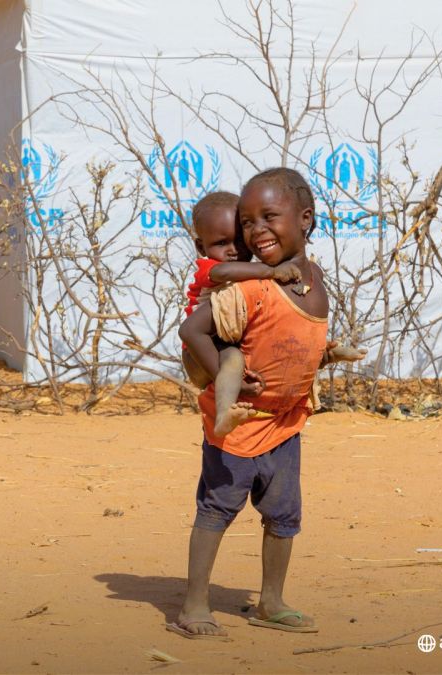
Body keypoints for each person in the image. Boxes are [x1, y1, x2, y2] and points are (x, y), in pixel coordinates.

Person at [170, 168, 339, 639]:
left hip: (286, 424)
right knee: (217, 509)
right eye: (247, 222)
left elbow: (292, 338)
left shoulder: (312, 278)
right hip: (239, 425)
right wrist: (237, 379)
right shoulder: (250, 286)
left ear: (304, 219)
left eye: (268, 217)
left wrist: (325, 353)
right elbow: (192, 331)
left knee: (284, 514)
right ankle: (195, 605)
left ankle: (271, 601)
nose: (254, 231)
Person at [180, 191, 303, 437]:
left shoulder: (249, 270)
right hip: (201, 350)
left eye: (239, 241)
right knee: (234, 358)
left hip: (223, 343)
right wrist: (272, 270)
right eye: (221, 243)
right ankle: (225, 412)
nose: (234, 250)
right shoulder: (210, 267)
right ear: (200, 246)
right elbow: (225, 272)